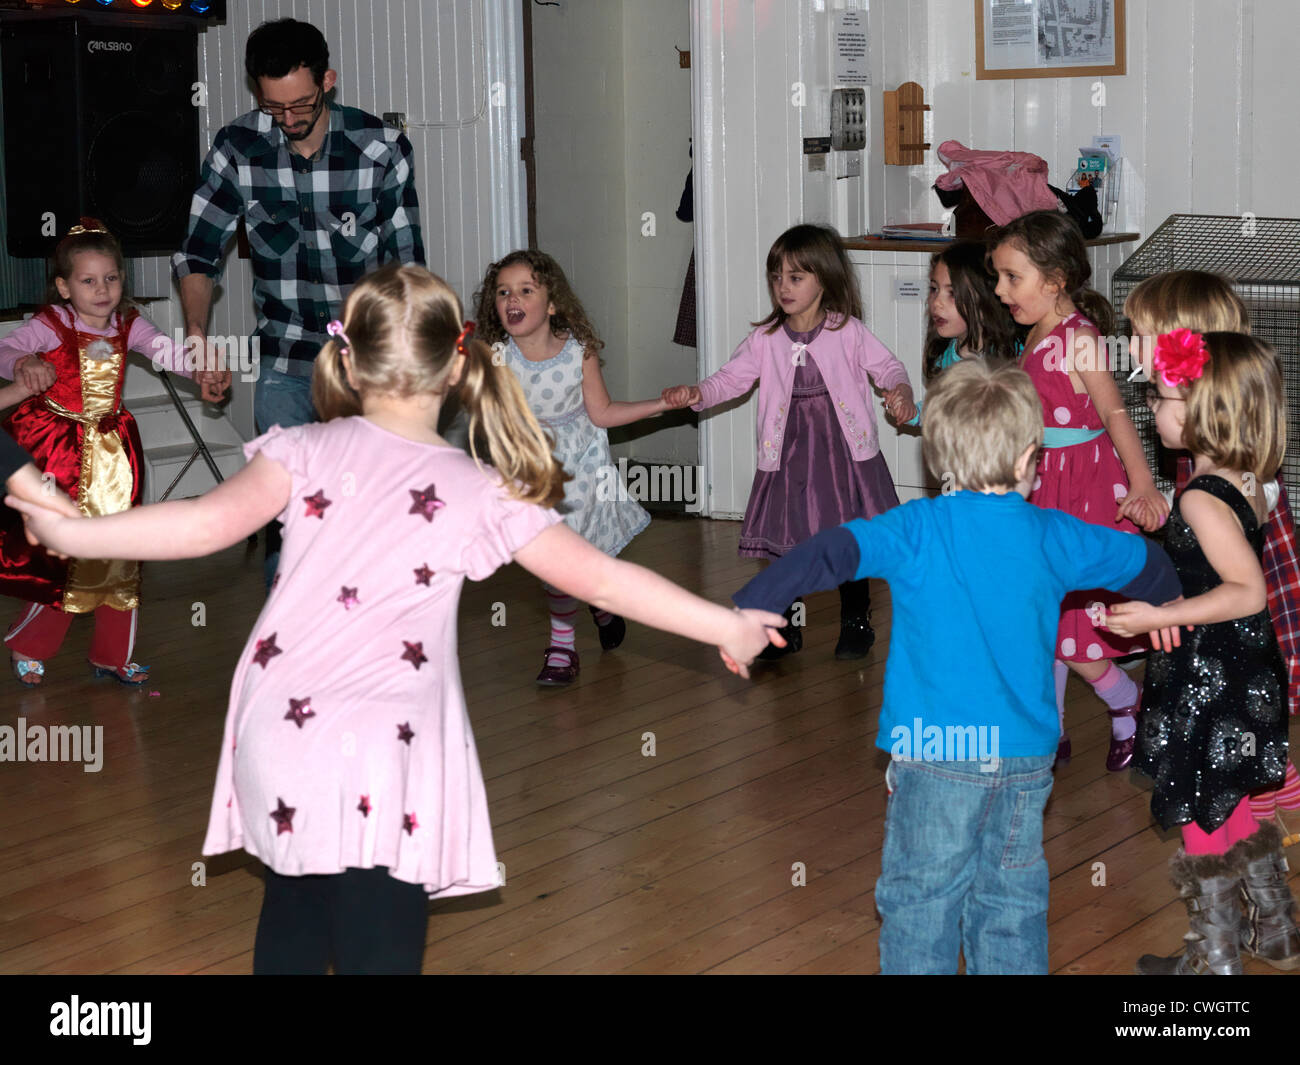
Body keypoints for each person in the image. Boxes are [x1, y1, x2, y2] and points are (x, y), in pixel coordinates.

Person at [6, 264, 782, 974]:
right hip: (387, 749)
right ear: (457, 366)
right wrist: (725, 624)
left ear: (347, 361)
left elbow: (199, 527)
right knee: (379, 941)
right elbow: (606, 582)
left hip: (280, 736)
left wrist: (74, 531)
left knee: (294, 919)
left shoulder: (300, 449)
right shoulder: (482, 489)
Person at [727, 359, 1179, 973]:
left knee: (922, 901)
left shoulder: (918, 527)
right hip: (1025, 759)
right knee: (1011, 901)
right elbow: (1141, 560)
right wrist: (1175, 603)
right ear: (1028, 459)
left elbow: (832, 551)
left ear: (938, 460)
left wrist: (755, 606)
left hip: (938, 751)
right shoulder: (1054, 534)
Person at [173, 18, 425, 580]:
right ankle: (284, 660)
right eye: (274, 108)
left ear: (328, 81)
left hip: (367, 368)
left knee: (366, 526)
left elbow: (408, 267)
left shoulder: (380, 149)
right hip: (285, 365)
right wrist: (197, 335)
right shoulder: (238, 149)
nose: (288, 120)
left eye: (301, 105)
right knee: (288, 522)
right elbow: (198, 252)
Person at [1105, 330, 1297, 974]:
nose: (1152, 410)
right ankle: (1276, 928)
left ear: (1200, 410)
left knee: (1196, 803)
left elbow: (1246, 592)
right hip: (1242, 671)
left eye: (1160, 397)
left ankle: (1213, 961)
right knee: (1232, 795)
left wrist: (1163, 614)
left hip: (1213, 676)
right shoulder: (1251, 478)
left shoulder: (1198, 496)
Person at [664, 223, 916, 661]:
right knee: (789, 540)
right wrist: (698, 393)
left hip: (843, 457)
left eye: (795, 277)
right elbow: (732, 379)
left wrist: (901, 392)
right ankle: (785, 627)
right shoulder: (766, 339)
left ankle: (856, 619)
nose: (783, 286)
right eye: (777, 276)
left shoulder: (847, 331)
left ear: (824, 278)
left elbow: (889, 368)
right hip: (789, 456)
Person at [0, 220, 217, 686]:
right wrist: (23, 362)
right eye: (87, 280)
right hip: (59, 454)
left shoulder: (129, 324)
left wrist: (200, 371)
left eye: (111, 278)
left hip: (115, 457)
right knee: (66, 557)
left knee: (121, 554)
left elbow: (166, 351)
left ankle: (112, 655)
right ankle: (29, 642)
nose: (102, 290)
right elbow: (7, 349)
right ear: (63, 286)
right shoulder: (50, 325)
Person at [989, 209, 1167, 771]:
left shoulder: (1080, 339)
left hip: (1084, 488)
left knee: (1071, 617)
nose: (1000, 291)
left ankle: (1125, 700)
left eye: (1012, 277)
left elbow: (1115, 414)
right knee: (1045, 611)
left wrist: (1141, 480)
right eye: (999, 277)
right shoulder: (1035, 332)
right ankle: (1053, 727)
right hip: (1044, 483)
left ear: (1056, 278)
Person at [1123, 270, 1300, 828]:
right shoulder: (1206, 436)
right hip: (1225, 594)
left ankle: (1265, 785)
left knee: (1251, 690)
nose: (1128, 345)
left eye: (1140, 332)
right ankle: (1263, 782)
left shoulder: (1215, 463)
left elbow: (1244, 576)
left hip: (1238, 595)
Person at [474, 250, 669, 685]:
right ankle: (596, 606)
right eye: (503, 292)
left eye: (526, 290)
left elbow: (601, 413)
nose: (512, 299)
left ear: (553, 302)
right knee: (558, 563)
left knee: (567, 560)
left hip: (579, 469)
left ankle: (563, 647)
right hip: (531, 470)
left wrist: (658, 405)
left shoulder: (577, 353)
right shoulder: (497, 357)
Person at [905, 239, 1021, 426]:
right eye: (934, 289)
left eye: (952, 294)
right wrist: (912, 412)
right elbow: (943, 408)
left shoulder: (1016, 356)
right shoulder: (946, 357)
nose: (936, 302)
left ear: (985, 300)